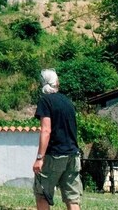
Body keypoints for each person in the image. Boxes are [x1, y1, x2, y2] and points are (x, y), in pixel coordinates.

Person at [32, 69, 82, 210]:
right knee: (72, 199)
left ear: (42, 84)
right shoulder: (67, 102)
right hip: (73, 155)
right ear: (57, 83)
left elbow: (46, 130)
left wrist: (40, 158)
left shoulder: (45, 101)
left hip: (54, 156)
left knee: (42, 195)